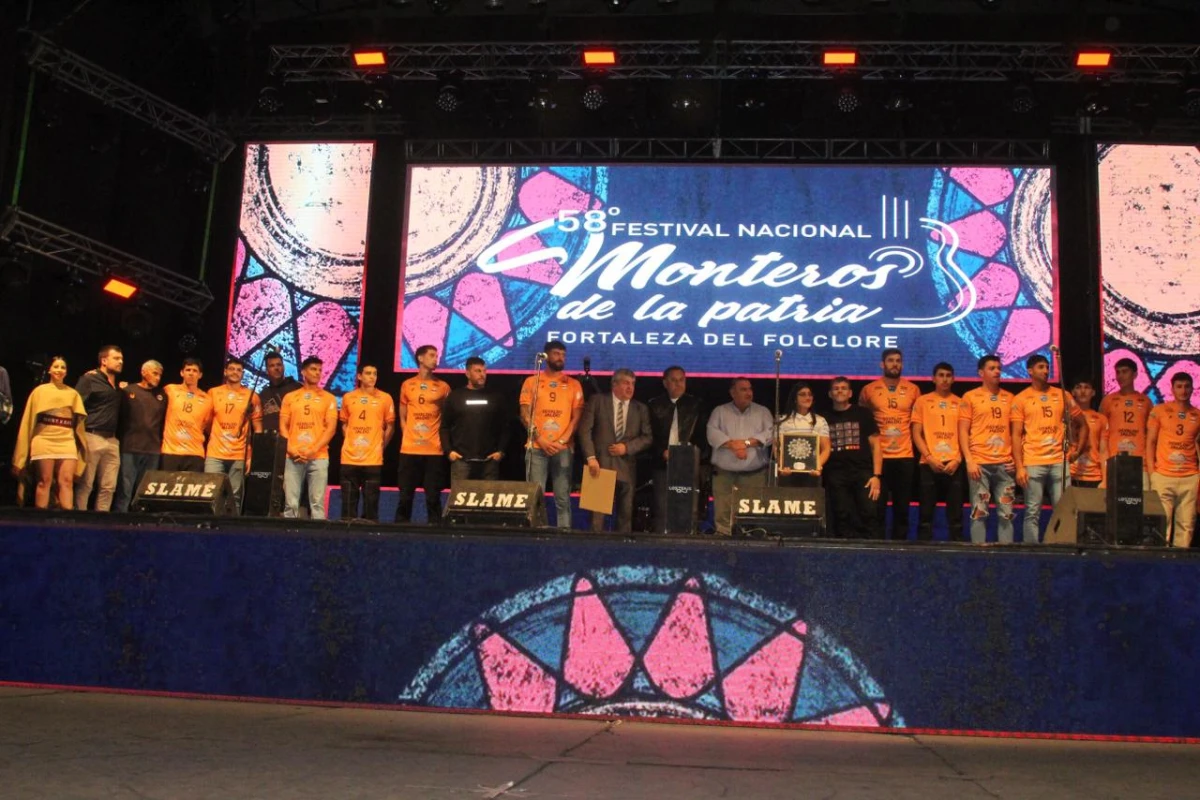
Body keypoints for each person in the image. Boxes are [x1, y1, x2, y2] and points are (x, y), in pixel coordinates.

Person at [1011, 354, 1086, 544]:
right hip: (1033, 461)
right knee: (1032, 511)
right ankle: (1032, 552)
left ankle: (1061, 547)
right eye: (1041, 367)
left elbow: (1083, 424)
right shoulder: (1021, 399)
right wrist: (1019, 467)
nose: (1045, 370)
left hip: (1058, 462)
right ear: (1030, 371)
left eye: (1047, 367)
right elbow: (1016, 435)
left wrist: (1076, 450)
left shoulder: (1063, 394)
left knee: (1064, 510)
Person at [520, 341, 585, 530]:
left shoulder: (574, 384)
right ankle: (535, 534)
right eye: (556, 354)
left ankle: (564, 535)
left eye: (563, 355)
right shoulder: (532, 381)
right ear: (546, 356)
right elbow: (525, 413)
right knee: (534, 496)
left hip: (563, 448)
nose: (560, 358)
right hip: (537, 447)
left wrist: (562, 440)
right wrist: (539, 438)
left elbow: (577, 417)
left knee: (563, 496)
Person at [579, 368, 652, 532]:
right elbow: (584, 431)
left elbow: (647, 437)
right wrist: (591, 458)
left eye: (633, 384)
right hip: (599, 465)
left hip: (627, 468)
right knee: (596, 520)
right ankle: (594, 552)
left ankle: (622, 553)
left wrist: (627, 448)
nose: (630, 388)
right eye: (626, 383)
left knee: (625, 517)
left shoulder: (640, 408)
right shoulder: (597, 401)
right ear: (614, 384)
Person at [858, 348, 920, 541]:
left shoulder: (913, 389)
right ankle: (877, 546)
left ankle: (900, 548)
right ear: (882, 364)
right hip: (879, 457)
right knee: (877, 507)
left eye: (898, 361)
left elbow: (919, 422)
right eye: (891, 360)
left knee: (902, 508)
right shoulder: (869, 390)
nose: (895, 364)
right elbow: (863, 422)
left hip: (905, 456)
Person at [11, 356, 87, 509]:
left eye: (63, 367)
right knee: (44, 481)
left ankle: (67, 521)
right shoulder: (39, 392)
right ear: (50, 370)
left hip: (66, 440)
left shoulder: (73, 394)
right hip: (44, 439)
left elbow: (79, 426)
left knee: (66, 481)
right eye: (56, 367)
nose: (59, 370)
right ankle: (41, 522)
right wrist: (21, 455)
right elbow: (28, 422)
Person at [959, 354, 1017, 544]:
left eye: (999, 368)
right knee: (979, 511)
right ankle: (978, 555)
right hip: (979, 465)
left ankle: (1006, 556)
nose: (997, 371)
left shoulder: (1010, 398)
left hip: (1005, 465)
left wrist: (1017, 460)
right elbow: (962, 431)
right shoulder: (970, 397)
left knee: (1006, 513)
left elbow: (1018, 433)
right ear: (981, 373)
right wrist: (969, 460)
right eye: (992, 368)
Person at [706, 378, 774, 536]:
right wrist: (732, 445)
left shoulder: (763, 412)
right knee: (723, 513)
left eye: (750, 389)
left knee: (752, 512)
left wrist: (745, 443)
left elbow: (770, 435)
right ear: (732, 392)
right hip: (724, 474)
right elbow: (712, 434)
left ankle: (751, 539)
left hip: (755, 474)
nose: (748, 393)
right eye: (743, 389)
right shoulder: (719, 411)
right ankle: (722, 540)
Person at [647, 365, 707, 533]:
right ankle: (661, 545)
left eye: (682, 380)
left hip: (689, 465)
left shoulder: (696, 405)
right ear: (665, 383)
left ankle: (688, 544)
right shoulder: (654, 405)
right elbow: (649, 435)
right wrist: (662, 452)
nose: (678, 384)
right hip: (662, 464)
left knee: (689, 509)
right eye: (674, 380)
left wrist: (690, 455)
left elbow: (702, 436)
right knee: (662, 509)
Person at [396, 345, 451, 525]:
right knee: (405, 495)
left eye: (437, 355)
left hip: (433, 449)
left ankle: (435, 532)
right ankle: (400, 530)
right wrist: (407, 434)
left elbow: (447, 417)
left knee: (433, 496)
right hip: (410, 449)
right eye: (432, 355)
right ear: (420, 358)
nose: (436, 359)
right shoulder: (407, 384)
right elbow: (402, 414)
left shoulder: (443, 386)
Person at [279, 356, 339, 520]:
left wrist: (313, 449)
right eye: (313, 369)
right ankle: (288, 538)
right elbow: (283, 425)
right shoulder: (290, 397)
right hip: (293, 455)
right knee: (290, 504)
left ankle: (318, 541)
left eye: (320, 370)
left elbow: (331, 428)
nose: (317, 373)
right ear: (303, 372)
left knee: (317, 504)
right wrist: (290, 448)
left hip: (318, 456)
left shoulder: (329, 398)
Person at [1146, 372, 1200, 548]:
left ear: (1192, 389)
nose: (1183, 390)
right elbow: (1151, 442)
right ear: (1172, 389)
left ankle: (1181, 566)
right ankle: (1162, 562)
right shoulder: (1159, 410)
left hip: (1189, 476)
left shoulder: (1197, 415)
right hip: (1163, 475)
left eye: (1187, 386)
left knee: (1186, 525)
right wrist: (1152, 472)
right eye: (1179, 386)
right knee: (1163, 523)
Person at [912, 362, 965, 541]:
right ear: (933, 378)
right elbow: (916, 433)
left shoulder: (960, 403)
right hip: (929, 463)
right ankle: (923, 554)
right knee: (925, 515)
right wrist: (928, 457)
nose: (945, 379)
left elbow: (965, 435)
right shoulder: (922, 401)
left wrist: (957, 459)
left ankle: (958, 553)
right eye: (941, 375)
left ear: (953, 378)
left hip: (954, 464)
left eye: (948, 375)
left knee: (956, 516)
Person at [824, 377, 882, 539]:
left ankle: (873, 552)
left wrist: (876, 475)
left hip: (863, 473)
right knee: (842, 515)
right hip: (836, 474)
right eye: (836, 388)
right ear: (830, 394)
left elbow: (876, 445)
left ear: (850, 393)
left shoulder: (863, 414)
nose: (840, 391)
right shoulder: (823, 417)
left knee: (869, 513)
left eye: (843, 388)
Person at [339, 362, 395, 521]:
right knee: (348, 505)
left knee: (371, 505)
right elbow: (344, 424)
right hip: (350, 457)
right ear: (359, 376)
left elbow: (390, 426)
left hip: (373, 459)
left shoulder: (385, 398)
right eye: (368, 373)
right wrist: (351, 442)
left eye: (375, 373)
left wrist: (381, 446)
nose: (372, 377)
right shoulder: (348, 397)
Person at [204, 358, 263, 510]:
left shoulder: (252, 396)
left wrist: (252, 455)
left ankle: (232, 529)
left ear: (243, 374)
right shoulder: (213, 393)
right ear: (225, 371)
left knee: (234, 496)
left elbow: (258, 428)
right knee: (210, 494)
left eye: (238, 370)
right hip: (215, 453)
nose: (235, 372)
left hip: (239, 454)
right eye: (232, 369)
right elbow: (207, 422)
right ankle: (209, 528)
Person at [74, 345, 124, 511]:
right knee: (86, 484)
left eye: (121, 359)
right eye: (116, 358)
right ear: (104, 360)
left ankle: (102, 523)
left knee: (109, 487)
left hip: (112, 439)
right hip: (92, 435)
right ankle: (80, 521)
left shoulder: (117, 385)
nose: (120, 362)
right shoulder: (89, 379)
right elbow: (76, 406)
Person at [444, 357, 509, 484]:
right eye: (478, 371)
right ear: (467, 373)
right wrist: (449, 451)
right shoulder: (455, 396)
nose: (482, 375)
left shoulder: (496, 397)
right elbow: (445, 426)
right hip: (461, 461)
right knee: (460, 503)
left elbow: (505, 427)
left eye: (484, 371)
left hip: (489, 462)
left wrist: (500, 451)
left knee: (488, 502)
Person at [112, 360, 166, 513]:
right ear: (144, 372)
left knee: (144, 495)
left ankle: (141, 528)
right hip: (130, 448)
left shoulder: (162, 395)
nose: (158, 378)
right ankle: (119, 526)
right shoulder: (127, 391)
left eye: (160, 375)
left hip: (152, 450)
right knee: (125, 491)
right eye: (155, 373)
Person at [1098, 357, 1153, 488]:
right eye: (1118, 372)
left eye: (1125, 372)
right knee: (1115, 505)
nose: (1120, 376)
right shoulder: (1108, 401)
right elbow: (1101, 434)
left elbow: (1151, 435)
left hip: (1140, 463)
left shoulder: (1146, 402)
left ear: (1135, 374)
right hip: (1115, 461)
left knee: (1142, 505)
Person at [161, 358, 213, 472]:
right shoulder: (170, 390)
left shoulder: (207, 399)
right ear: (182, 372)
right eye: (188, 370)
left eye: (195, 371)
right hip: (170, 451)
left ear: (200, 375)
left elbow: (208, 425)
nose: (191, 373)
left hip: (194, 453)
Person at [776, 382, 830, 489]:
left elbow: (826, 448)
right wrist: (781, 465)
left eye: (810, 394)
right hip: (788, 474)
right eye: (803, 394)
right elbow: (776, 447)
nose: (807, 397)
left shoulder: (820, 421)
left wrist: (817, 465)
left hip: (812, 475)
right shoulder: (782, 420)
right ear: (794, 398)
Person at [1070, 379, 1109, 490]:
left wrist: (1105, 480)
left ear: (1093, 392)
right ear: (1072, 392)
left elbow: (1104, 451)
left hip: (1094, 476)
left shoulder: (1101, 419)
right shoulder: (1065, 416)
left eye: (1087, 387)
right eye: (1078, 387)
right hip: (1071, 474)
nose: (1083, 391)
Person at [257, 351, 302, 434]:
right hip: (270, 442)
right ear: (267, 370)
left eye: (279, 365)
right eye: (272, 366)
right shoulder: (263, 395)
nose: (276, 368)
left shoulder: (297, 388)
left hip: (294, 439)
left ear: (283, 367)